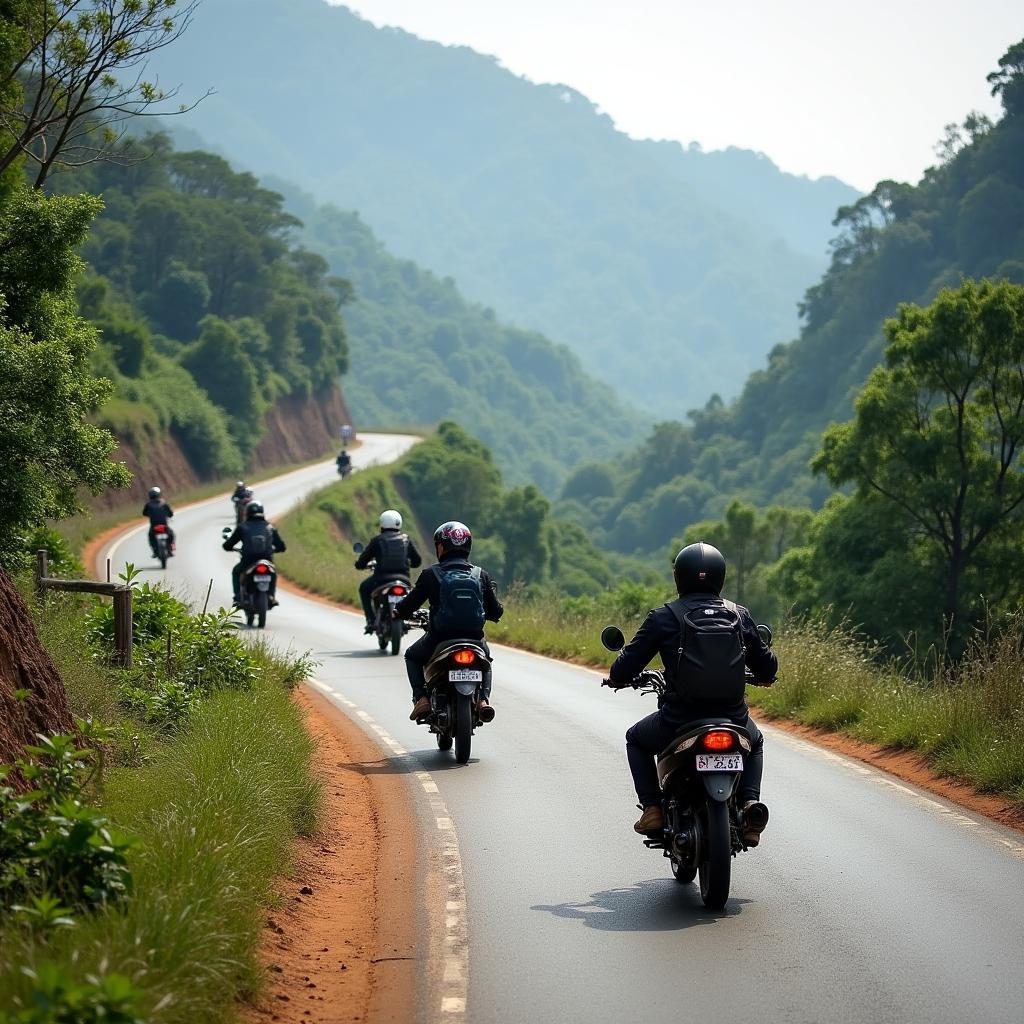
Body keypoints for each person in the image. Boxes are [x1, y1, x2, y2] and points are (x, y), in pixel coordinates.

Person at [609, 541, 777, 846]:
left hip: (679, 719)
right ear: (720, 576)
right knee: (756, 741)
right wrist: (759, 675)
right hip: (733, 719)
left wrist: (621, 677)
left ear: (679, 577)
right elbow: (768, 667)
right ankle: (751, 804)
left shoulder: (664, 617)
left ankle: (652, 809)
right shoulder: (738, 615)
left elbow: (624, 668)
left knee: (636, 739)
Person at [395, 521, 503, 722]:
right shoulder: (481, 575)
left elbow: (408, 605)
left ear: (441, 547)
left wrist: (399, 611)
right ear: (467, 546)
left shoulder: (431, 574)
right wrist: (493, 614)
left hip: (439, 639)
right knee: (486, 662)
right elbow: (496, 611)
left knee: (411, 656)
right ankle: (483, 701)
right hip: (475, 640)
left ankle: (421, 699)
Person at [354, 510, 422, 632]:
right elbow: (417, 561)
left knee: (364, 588)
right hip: (403, 580)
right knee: (412, 596)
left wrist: (359, 564)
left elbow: (362, 561)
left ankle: (370, 620)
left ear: (382, 524)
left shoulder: (377, 540)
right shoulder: (406, 539)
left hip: (381, 579)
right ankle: (408, 618)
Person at [222, 500, 286, 606]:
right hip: (267, 559)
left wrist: (229, 547)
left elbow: (228, 544)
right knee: (273, 574)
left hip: (248, 560)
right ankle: (271, 596)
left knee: (236, 572)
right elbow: (281, 546)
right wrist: (277, 549)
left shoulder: (243, 527)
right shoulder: (270, 527)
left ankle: (238, 597)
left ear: (247, 512)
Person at [142, 486, 175, 557]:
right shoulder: (164, 503)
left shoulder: (148, 504)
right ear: (159, 494)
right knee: (171, 534)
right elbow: (171, 513)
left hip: (154, 526)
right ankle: (170, 548)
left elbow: (144, 513)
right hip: (164, 525)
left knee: (150, 536)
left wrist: (150, 515)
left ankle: (154, 551)